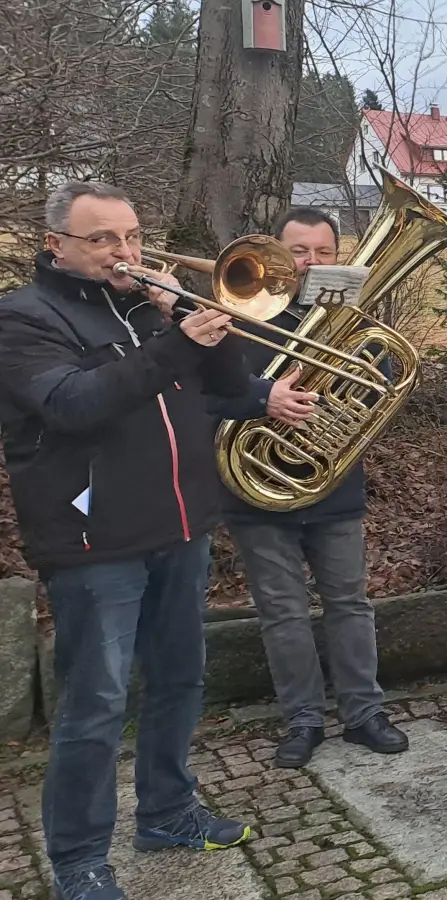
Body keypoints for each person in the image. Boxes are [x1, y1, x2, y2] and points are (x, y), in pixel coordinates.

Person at [0, 182, 255, 900]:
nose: (127, 252)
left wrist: (197, 319)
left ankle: (168, 814)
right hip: (94, 539)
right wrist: (174, 342)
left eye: (134, 236)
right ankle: (78, 858)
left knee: (179, 681)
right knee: (96, 702)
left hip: (180, 527)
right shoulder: (24, 317)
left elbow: (230, 390)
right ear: (58, 245)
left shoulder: (152, 310)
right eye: (105, 239)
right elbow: (72, 404)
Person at [205, 207, 409, 769]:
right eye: (299, 252)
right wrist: (263, 397)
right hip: (257, 492)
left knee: (349, 603)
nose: (311, 264)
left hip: (332, 488)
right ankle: (303, 719)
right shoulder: (238, 319)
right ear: (275, 253)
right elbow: (204, 395)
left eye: (324, 253)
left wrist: (340, 398)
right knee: (283, 613)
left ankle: (364, 712)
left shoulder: (358, 324)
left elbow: (378, 396)